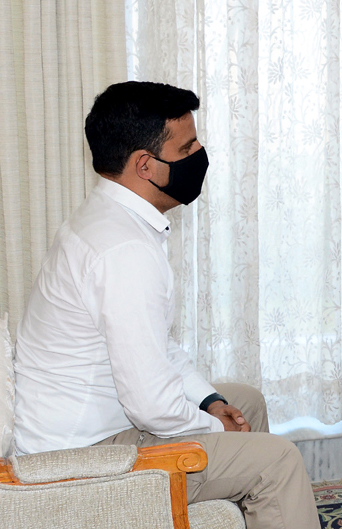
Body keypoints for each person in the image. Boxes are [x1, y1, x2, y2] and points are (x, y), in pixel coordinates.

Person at [12, 81, 320, 529]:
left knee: (243, 403)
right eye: (188, 146)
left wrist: (212, 404)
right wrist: (217, 430)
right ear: (145, 165)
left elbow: (156, 345)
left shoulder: (108, 219)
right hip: (83, 459)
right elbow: (150, 404)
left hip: (93, 425)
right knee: (278, 461)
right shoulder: (123, 251)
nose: (200, 154)